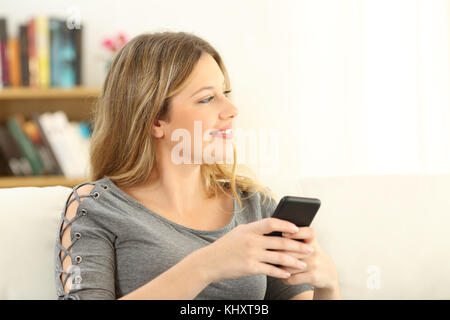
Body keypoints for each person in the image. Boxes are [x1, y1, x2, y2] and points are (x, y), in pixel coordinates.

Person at [54, 31, 341, 300]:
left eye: (225, 94)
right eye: (207, 98)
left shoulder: (254, 205)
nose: (231, 110)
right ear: (156, 120)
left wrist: (328, 286)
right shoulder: (97, 208)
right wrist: (207, 265)